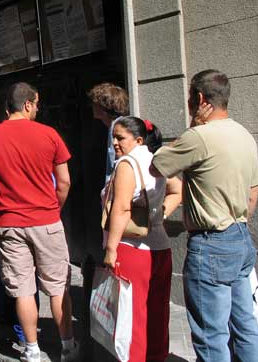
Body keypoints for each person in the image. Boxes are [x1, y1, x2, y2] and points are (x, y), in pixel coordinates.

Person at [151, 69, 258, 362]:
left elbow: (158, 164)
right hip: (240, 237)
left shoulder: (199, 136)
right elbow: (253, 193)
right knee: (246, 328)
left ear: (199, 99)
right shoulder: (244, 135)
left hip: (211, 242)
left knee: (212, 337)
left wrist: (193, 125)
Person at [0, 82, 78, 362]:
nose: (37, 109)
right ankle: (68, 346)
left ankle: (32, 350)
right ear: (28, 104)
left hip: (9, 223)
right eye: (37, 104)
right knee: (58, 286)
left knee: (23, 289)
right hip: (46, 219)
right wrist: (54, 209)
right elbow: (65, 181)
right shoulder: (49, 134)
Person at [102, 117, 182, 362]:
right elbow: (177, 190)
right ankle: (157, 357)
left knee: (132, 315)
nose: (115, 143)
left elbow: (122, 209)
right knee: (157, 311)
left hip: (131, 248)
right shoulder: (155, 159)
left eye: (120, 138)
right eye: (113, 137)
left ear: (138, 140)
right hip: (160, 247)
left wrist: (110, 249)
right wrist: (159, 214)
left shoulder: (127, 164)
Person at [87, 82, 129, 183]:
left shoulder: (117, 128)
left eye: (95, 103)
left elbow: (114, 164)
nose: (92, 106)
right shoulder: (117, 125)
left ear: (103, 106)